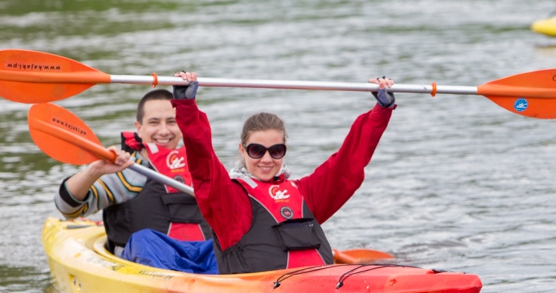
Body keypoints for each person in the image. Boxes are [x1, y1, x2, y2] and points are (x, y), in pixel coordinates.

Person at [172, 73, 396, 274]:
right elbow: (203, 162)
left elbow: (349, 164)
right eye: (256, 150)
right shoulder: (230, 201)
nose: (267, 159)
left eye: (276, 151)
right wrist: (186, 107)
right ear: (242, 150)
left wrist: (381, 112)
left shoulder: (304, 192)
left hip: (320, 292)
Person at [54, 88, 215, 272]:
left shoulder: (201, 168)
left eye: (171, 122)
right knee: (144, 239)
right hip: (147, 269)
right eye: (154, 122)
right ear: (139, 128)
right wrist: (95, 170)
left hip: (203, 265)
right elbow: (68, 209)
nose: (163, 131)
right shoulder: (128, 171)